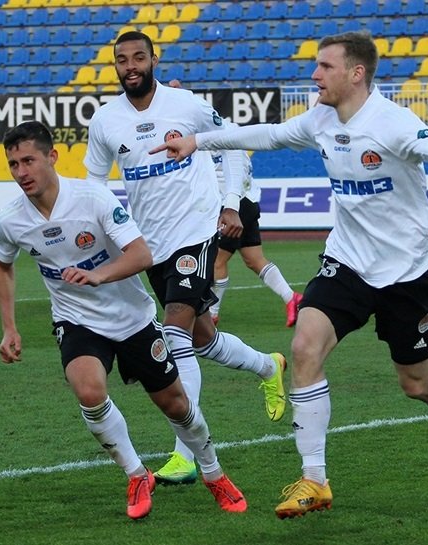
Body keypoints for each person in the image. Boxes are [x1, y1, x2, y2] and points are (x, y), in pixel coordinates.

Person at [150, 31, 428, 519]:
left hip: (405, 272)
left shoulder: (393, 122)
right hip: (348, 263)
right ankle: (315, 480)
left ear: (356, 73)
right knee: (304, 347)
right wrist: (197, 142)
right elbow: (267, 135)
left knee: (418, 384)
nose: (315, 74)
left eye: (325, 66)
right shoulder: (320, 119)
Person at [0, 121, 247, 520]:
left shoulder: (92, 198)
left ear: (52, 157)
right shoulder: (11, 220)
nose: (21, 172)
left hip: (132, 319)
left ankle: (214, 473)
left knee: (176, 404)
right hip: (76, 320)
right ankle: (136, 474)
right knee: (88, 391)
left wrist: (99, 275)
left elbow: (141, 254)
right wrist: (9, 327)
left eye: (28, 161)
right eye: (13, 164)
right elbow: (2, 266)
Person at [83, 31, 287, 487]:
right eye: (122, 59)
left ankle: (187, 453)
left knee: (174, 332)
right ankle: (268, 366)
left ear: (154, 59)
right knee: (201, 339)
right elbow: (94, 184)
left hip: (196, 231)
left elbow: (231, 143)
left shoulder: (186, 104)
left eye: (139, 57)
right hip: (150, 244)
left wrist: (230, 203)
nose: (131, 66)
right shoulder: (105, 120)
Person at [168, 79, 303, 328]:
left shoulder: (210, 135)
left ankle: (213, 314)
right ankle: (291, 298)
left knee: (217, 261)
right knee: (254, 259)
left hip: (233, 206)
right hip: (247, 202)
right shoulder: (227, 129)